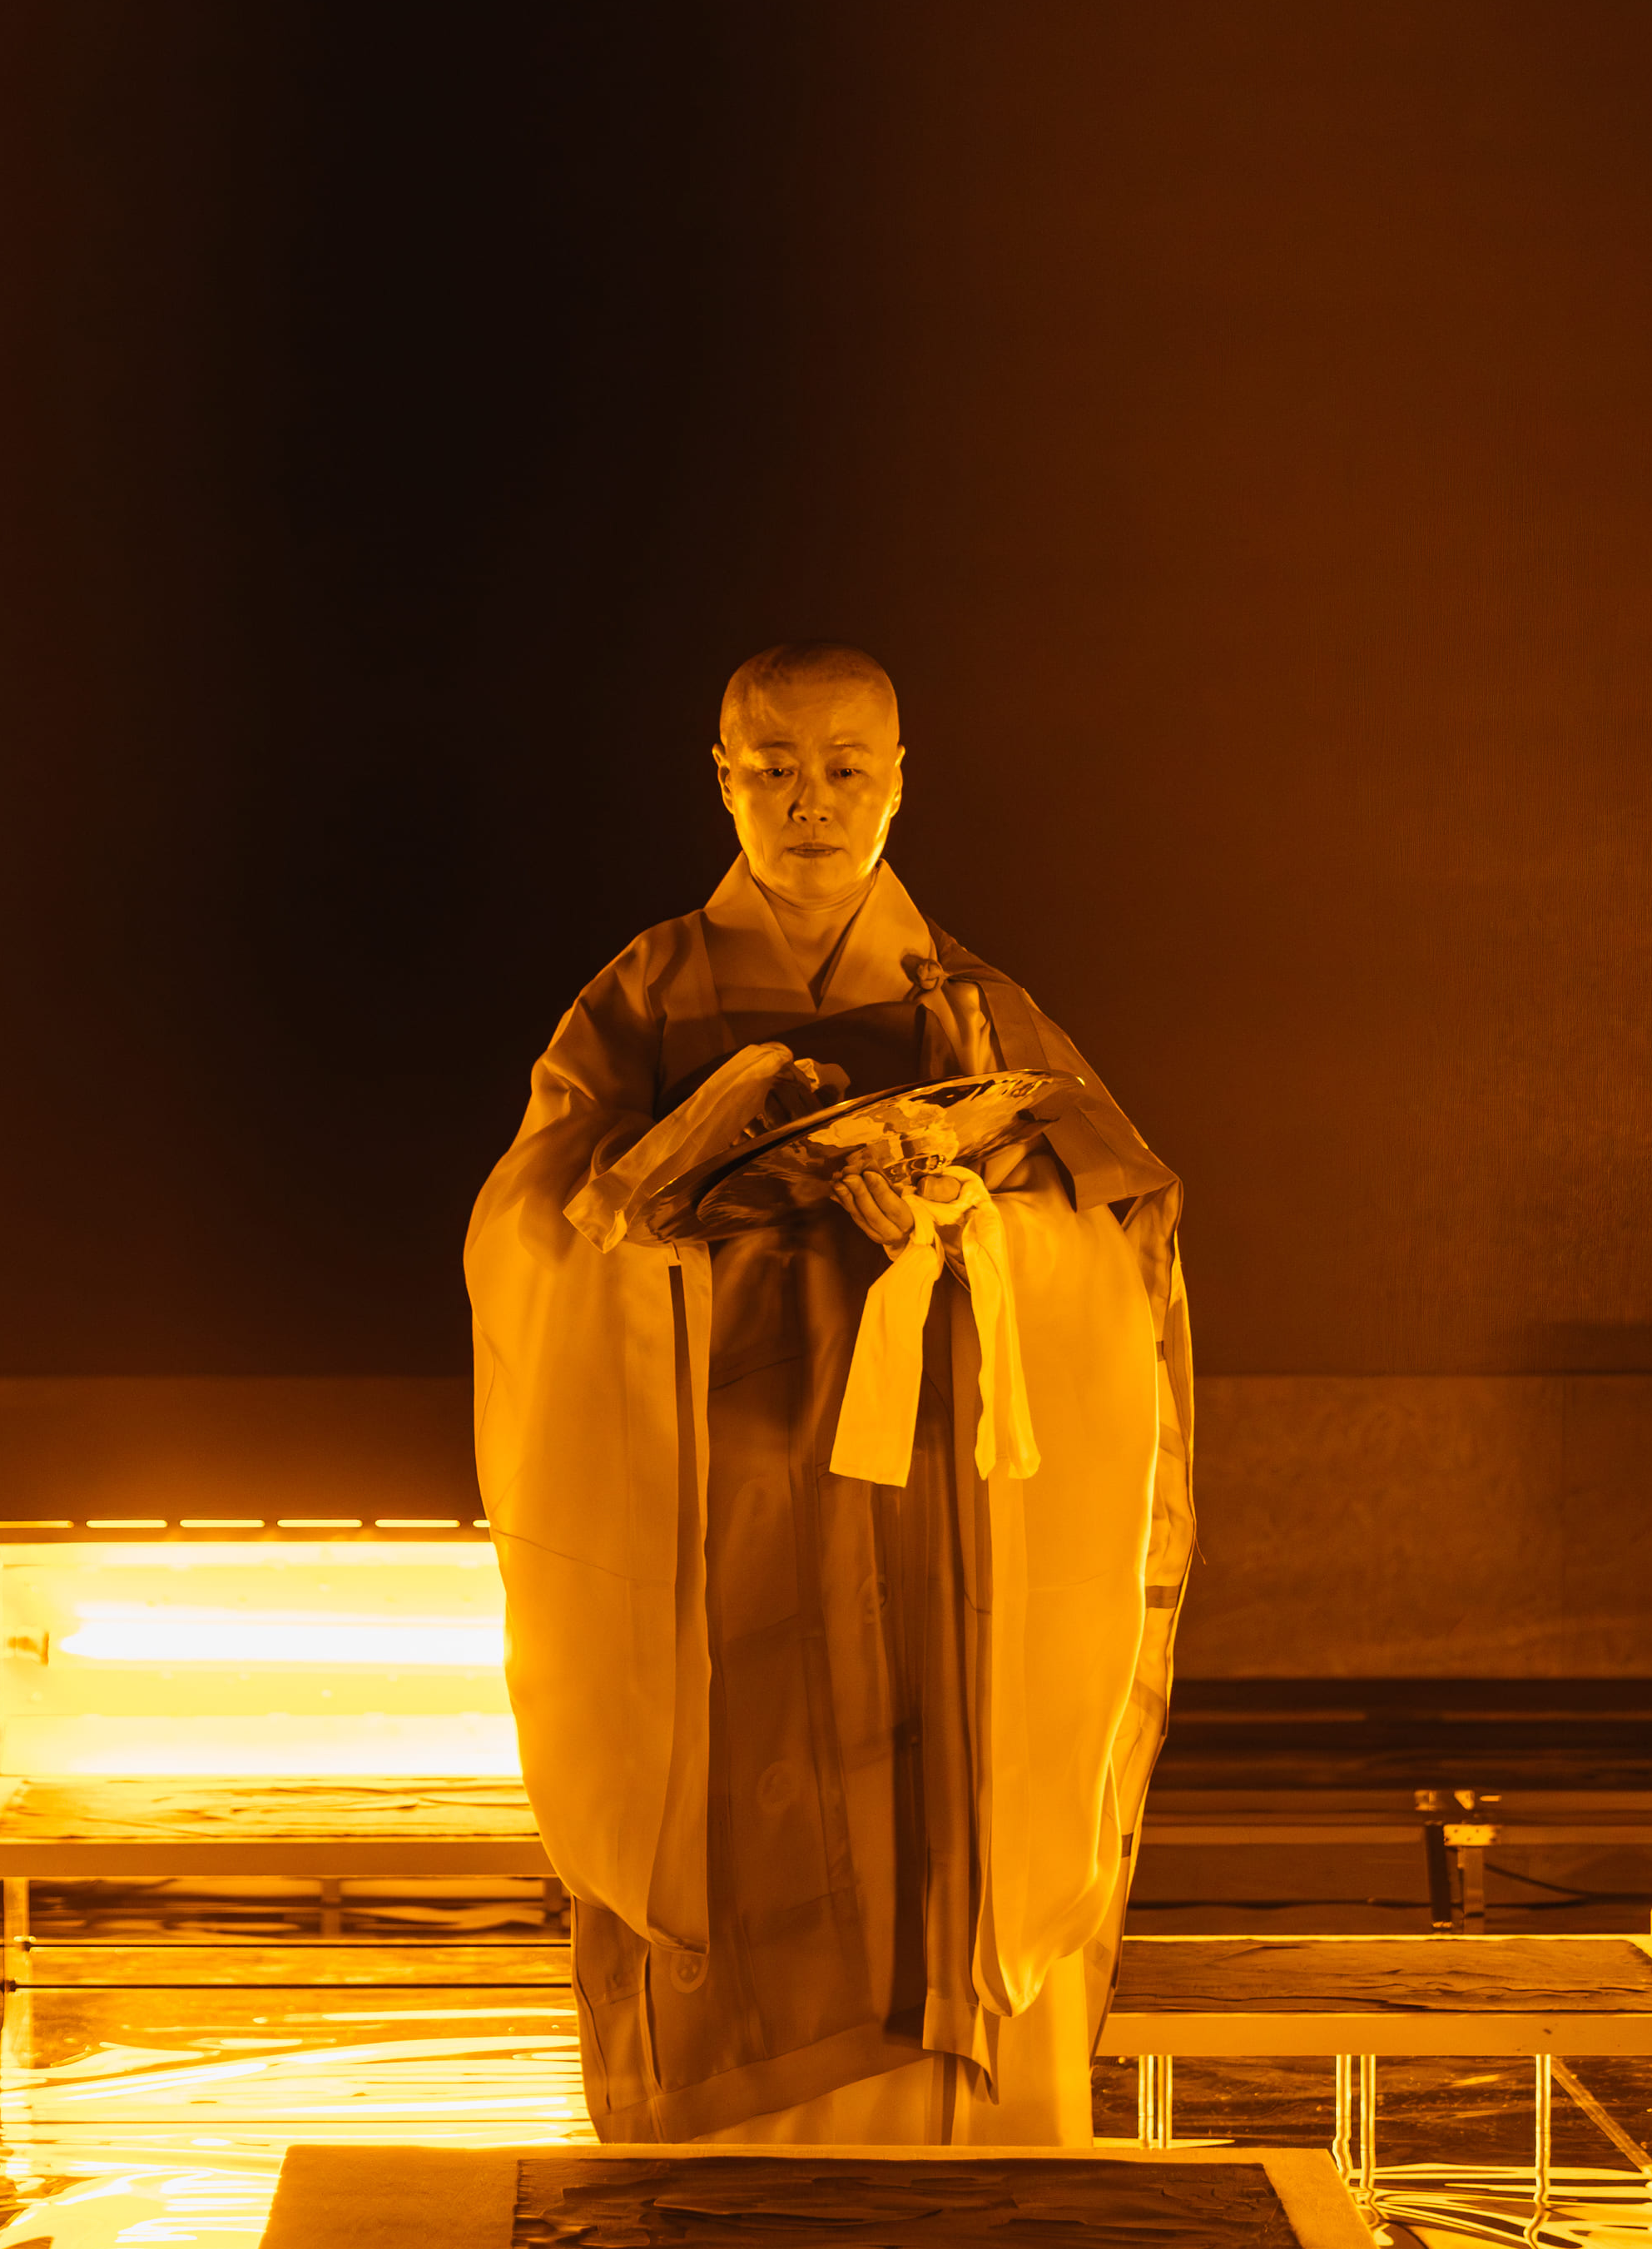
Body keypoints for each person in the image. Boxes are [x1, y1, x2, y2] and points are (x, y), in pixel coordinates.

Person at [467, 642, 1193, 2143]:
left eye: (846, 769)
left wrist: (965, 1223)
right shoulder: (648, 993)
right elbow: (530, 1231)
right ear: (723, 779)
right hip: (717, 1483)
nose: (812, 802)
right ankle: (719, 2179)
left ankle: (956, 2157)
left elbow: (1119, 1233)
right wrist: (663, 1211)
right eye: (776, 769)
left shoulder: (974, 1010)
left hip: (931, 1503)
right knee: (729, 1795)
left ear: (900, 781)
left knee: (939, 1798)